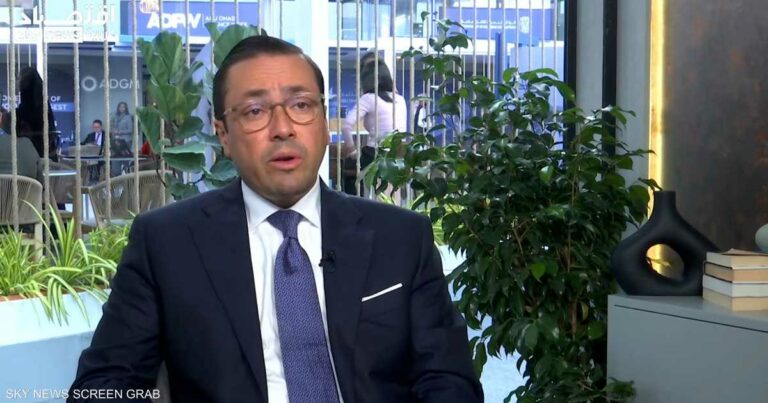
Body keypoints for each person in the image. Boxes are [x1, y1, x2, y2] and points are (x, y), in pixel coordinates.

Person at [68, 36, 482, 403]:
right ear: (224, 135)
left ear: (323, 122)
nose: (283, 128)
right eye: (254, 111)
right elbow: (102, 385)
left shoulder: (401, 237)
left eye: (301, 105)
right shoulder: (166, 243)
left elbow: (449, 379)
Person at [341, 59, 407, 196]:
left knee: (348, 168)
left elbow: (347, 125)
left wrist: (352, 151)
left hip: (377, 154)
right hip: (399, 154)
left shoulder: (369, 98)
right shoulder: (400, 99)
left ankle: (355, 201)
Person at [16, 66, 57, 158]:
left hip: (33, 156)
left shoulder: (28, 108)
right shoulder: (42, 104)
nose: (16, 82)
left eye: (18, 78)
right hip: (47, 156)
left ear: (25, 82)